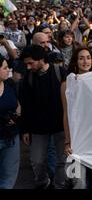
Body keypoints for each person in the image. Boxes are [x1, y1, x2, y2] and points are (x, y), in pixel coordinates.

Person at [19, 45, 67, 189]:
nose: (28, 67)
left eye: (31, 63)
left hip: (61, 126)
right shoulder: (28, 78)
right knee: (37, 161)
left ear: (41, 59)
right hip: (38, 128)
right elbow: (25, 106)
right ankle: (42, 182)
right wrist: (25, 130)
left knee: (62, 161)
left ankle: (59, 184)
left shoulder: (60, 72)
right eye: (26, 64)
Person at [62, 47, 92, 189]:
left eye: (88, 57)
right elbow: (66, 113)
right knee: (78, 182)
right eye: (81, 58)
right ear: (75, 61)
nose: (85, 61)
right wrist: (68, 142)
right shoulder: (67, 84)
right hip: (77, 139)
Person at [0, 56, 21, 189]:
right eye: (5, 68)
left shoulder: (10, 84)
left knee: (8, 178)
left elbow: (18, 104)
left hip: (11, 138)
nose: (9, 70)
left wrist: (16, 115)